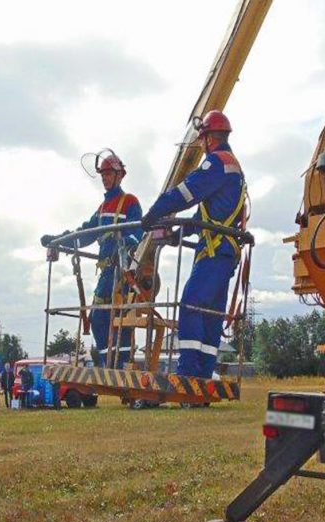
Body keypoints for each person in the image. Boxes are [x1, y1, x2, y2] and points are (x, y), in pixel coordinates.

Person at [140, 110, 247, 379]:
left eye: (202, 141)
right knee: (210, 313)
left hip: (214, 253)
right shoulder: (233, 166)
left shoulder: (216, 163)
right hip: (224, 252)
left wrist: (155, 212)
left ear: (209, 138)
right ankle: (204, 375)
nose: (201, 146)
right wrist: (179, 234)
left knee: (190, 305)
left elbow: (187, 192)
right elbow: (207, 214)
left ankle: (189, 374)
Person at [49, 152, 143, 368]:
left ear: (120, 175)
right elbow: (87, 233)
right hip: (107, 272)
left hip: (123, 270)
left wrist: (126, 243)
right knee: (99, 319)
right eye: (103, 174)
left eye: (109, 173)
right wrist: (61, 240)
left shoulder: (129, 202)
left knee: (121, 319)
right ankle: (109, 363)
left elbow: (138, 232)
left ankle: (121, 364)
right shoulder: (102, 209)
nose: (105, 178)